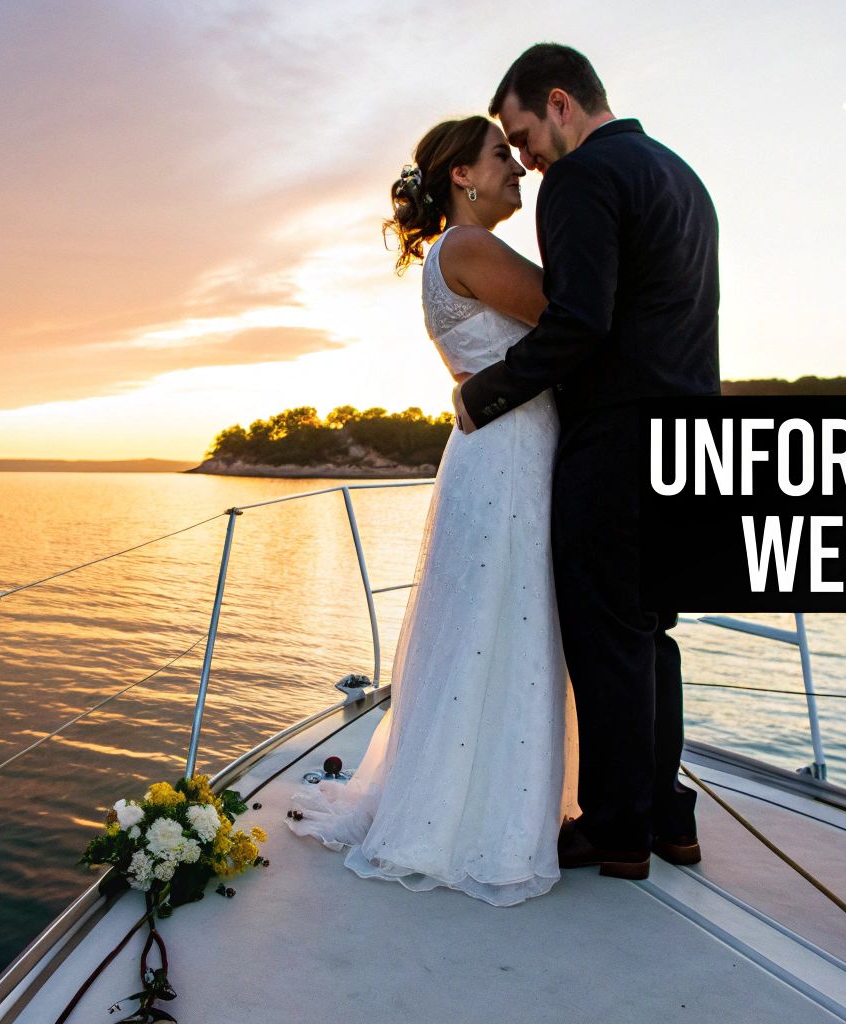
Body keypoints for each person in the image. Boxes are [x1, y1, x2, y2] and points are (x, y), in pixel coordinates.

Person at [284, 114, 579, 906]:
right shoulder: (472, 248)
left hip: (495, 451)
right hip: (512, 453)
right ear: (462, 176)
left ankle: (471, 797)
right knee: (506, 619)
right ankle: (484, 816)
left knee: (488, 623)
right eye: (500, 156)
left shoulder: (451, 253)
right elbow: (572, 314)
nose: (517, 167)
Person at [453, 43, 721, 879]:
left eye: (524, 133)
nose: (527, 158)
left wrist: (484, 394)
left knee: (607, 639)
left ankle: (615, 830)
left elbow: (579, 322)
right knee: (652, 637)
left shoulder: (581, 179)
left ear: (560, 103)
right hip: (689, 445)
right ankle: (670, 817)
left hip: (616, 445)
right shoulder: (680, 177)